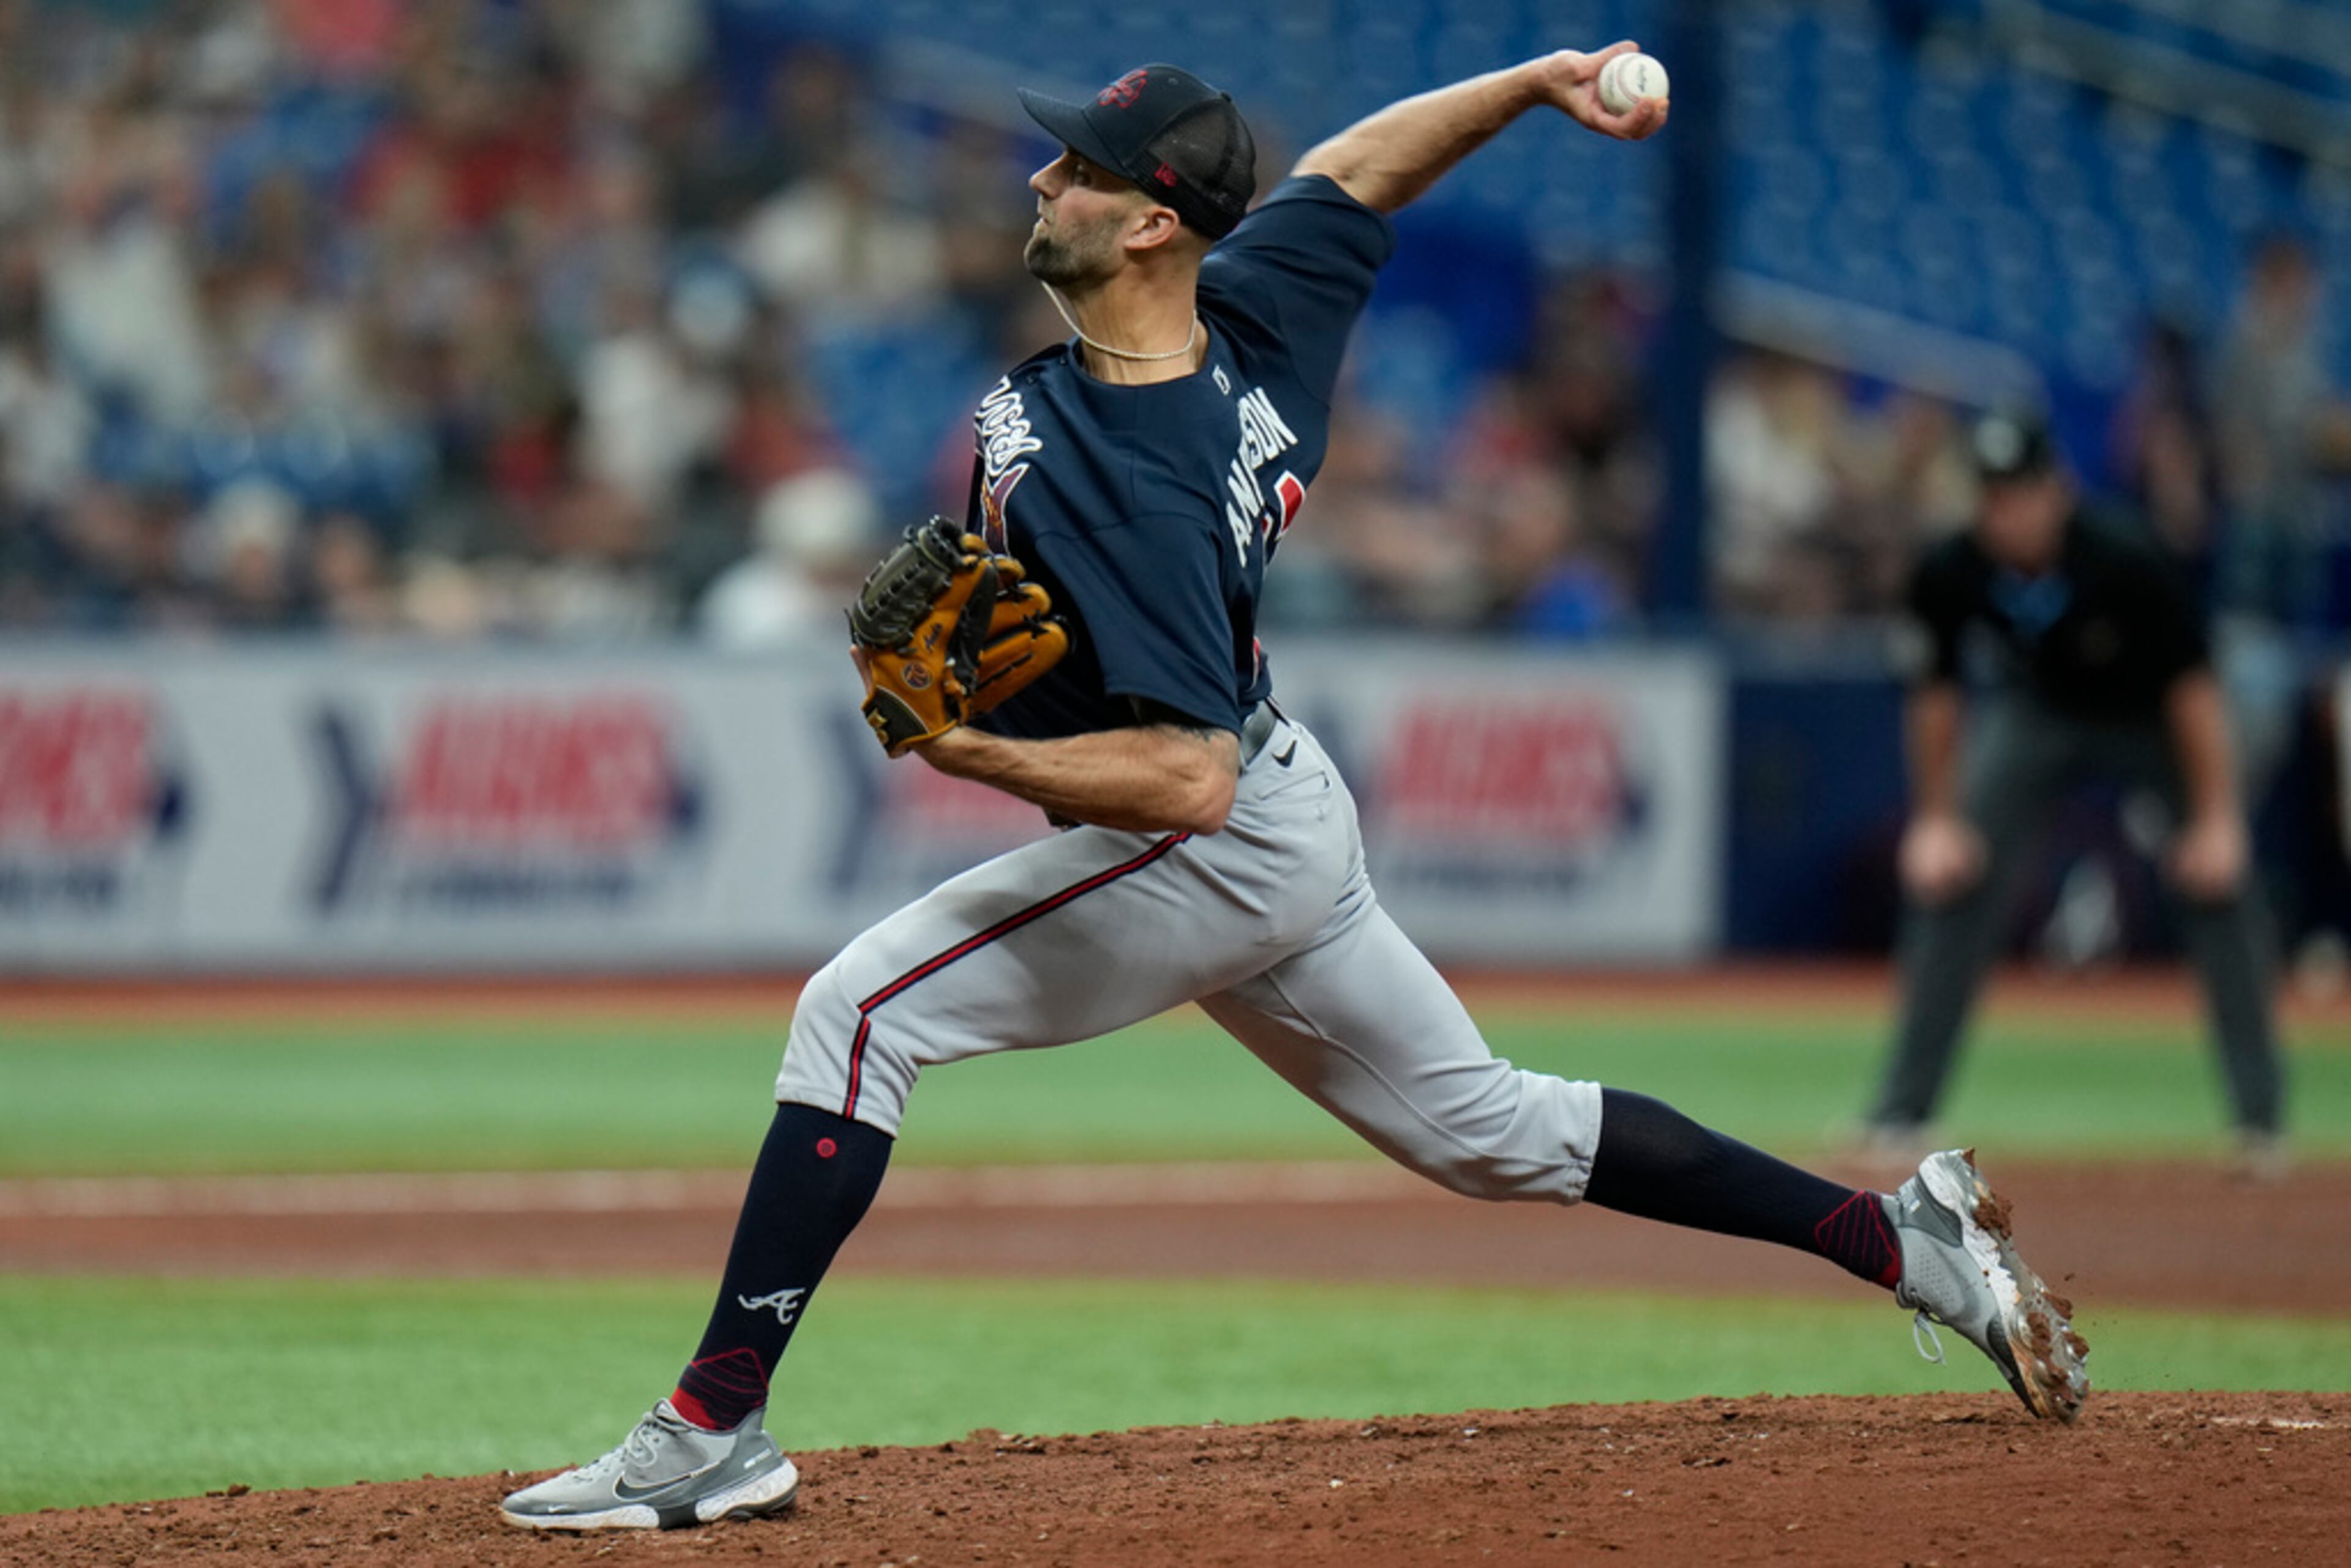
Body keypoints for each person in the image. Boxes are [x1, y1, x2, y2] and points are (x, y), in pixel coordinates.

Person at [500, 51, 2088, 1534]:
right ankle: (1908, 1242)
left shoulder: (1152, 469)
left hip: (1207, 837)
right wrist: (1536, 84)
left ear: (1149, 224)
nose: (1045, 178)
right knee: (1488, 1132)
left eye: (1084, 168)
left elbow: (1181, 782)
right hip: (1277, 807)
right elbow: (1354, 169)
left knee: (860, 1014)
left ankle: (713, 1427)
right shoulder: (1247, 312)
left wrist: (974, 749)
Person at [1862, 411, 2286, 1166]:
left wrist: (2219, 818)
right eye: (1991, 495)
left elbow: (2194, 693)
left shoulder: (2126, 557)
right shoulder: (1954, 567)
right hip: (2041, 712)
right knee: (1955, 879)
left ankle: (2261, 1121)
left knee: (2218, 886)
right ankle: (1899, 1112)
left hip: (2150, 718)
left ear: (2056, 490)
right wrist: (1936, 817)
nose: (2006, 512)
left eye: (2020, 492)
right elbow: (1935, 693)